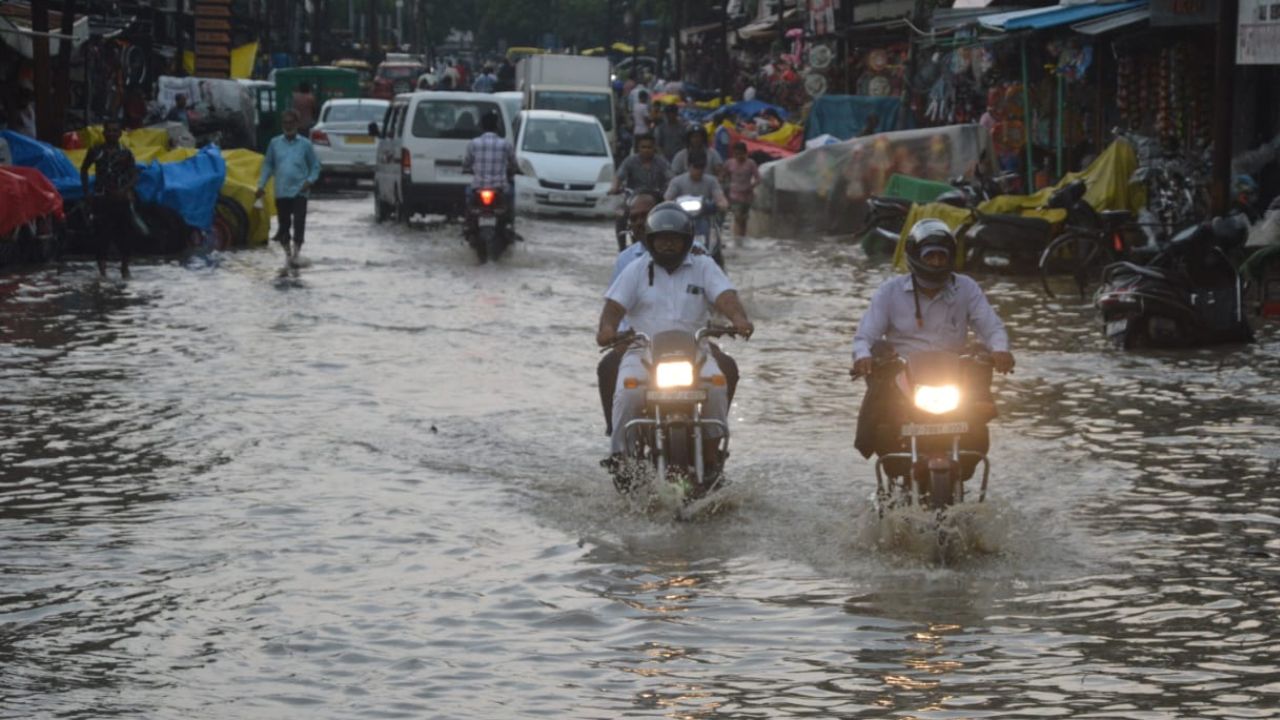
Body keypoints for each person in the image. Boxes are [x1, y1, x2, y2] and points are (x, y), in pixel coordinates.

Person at [596, 202, 754, 471]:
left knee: (717, 386)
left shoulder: (703, 265)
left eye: (674, 240)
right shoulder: (635, 269)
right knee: (627, 393)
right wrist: (608, 330)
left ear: (686, 240)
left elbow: (725, 295)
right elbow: (613, 307)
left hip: (695, 351)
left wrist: (738, 319)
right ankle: (621, 456)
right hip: (642, 351)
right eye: (662, 240)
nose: (668, 246)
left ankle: (712, 449)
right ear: (650, 241)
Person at [850, 219, 1015, 464]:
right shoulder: (890, 291)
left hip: (954, 373)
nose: (936, 262)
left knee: (978, 419)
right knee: (879, 420)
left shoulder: (966, 288)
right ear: (916, 257)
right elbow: (865, 335)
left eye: (941, 256)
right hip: (902, 375)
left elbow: (992, 327)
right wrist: (863, 356)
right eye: (930, 256)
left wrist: (1000, 350)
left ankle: (969, 456)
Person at [255, 109, 321, 265]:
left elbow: (315, 166)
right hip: (282, 191)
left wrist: (309, 181)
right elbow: (267, 166)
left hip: (300, 190)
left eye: (291, 123)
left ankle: (297, 253)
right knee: (283, 225)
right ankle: (288, 254)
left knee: (299, 221)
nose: (288, 126)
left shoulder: (305, 144)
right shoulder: (274, 143)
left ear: (297, 124)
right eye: (285, 123)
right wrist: (261, 186)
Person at [80, 119, 139, 278]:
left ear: (120, 134)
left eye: (115, 131)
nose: (112, 134)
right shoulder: (95, 151)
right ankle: (102, 273)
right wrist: (87, 193)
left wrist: (125, 190)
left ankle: (125, 269)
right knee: (101, 235)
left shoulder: (126, 153)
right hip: (101, 199)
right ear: (104, 133)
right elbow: (84, 169)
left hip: (121, 200)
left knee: (126, 234)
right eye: (109, 131)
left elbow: (134, 175)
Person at [610, 135, 672, 246]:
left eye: (649, 147)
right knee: (620, 214)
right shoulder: (630, 161)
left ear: (654, 148)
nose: (646, 150)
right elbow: (618, 176)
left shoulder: (661, 162)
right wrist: (614, 188)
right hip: (633, 198)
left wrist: (669, 192)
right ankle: (622, 247)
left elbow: (671, 178)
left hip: (655, 200)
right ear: (638, 148)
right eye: (643, 147)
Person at [462, 111, 517, 222]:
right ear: (497, 126)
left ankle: (468, 224)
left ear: (482, 126)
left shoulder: (473, 143)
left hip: (478, 187)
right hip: (500, 187)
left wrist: (466, 169)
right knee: (511, 193)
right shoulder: (505, 144)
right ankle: (510, 223)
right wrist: (515, 170)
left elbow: (466, 163)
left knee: (468, 194)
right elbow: (514, 163)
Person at [664, 151, 729, 214]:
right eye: (696, 167)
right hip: (681, 217)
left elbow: (720, 198)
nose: (699, 170)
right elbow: (667, 200)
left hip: (704, 216)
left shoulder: (712, 181)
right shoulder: (676, 181)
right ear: (688, 166)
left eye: (701, 167)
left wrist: (722, 204)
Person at [722, 141, 761, 242]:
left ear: (746, 153)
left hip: (747, 196)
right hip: (734, 196)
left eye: (741, 154)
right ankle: (737, 239)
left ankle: (742, 239)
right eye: (736, 154)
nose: (739, 156)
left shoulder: (751, 163)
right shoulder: (729, 163)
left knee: (743, 220)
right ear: (733, 154)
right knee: (738, 218)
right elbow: (723, 175)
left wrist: (751, 186)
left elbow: (758, 179)